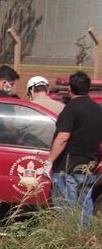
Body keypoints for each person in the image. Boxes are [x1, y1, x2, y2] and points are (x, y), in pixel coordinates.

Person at [45, 71, 102, 227]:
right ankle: (83, 236)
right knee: (85, 203)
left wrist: (49, 161)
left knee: (65, 205)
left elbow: (63, 137)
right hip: (89, 166)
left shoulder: (70, 109)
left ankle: (66, 237)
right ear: (88, 89)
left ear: (70, 88)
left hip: (67, 166)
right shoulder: (98, 110)